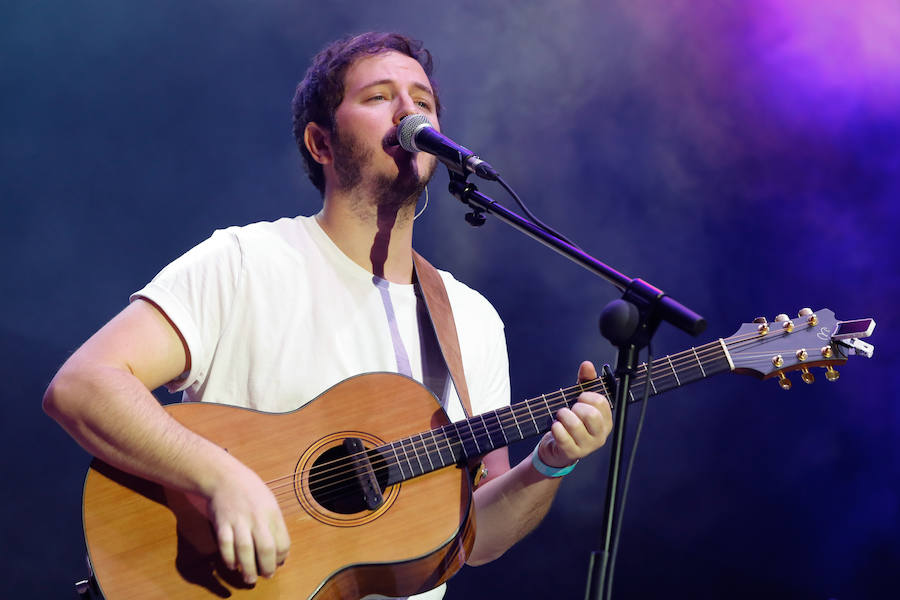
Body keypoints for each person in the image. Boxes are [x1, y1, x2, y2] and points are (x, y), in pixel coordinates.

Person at [43, 32, 613, 599]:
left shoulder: (471, 320)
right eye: (378, 97)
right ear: (321, 142)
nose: (408, 111)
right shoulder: (246, 261)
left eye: (423, 100)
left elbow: (474, 539)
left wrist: (550, 465)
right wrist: (219, 477)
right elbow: (83, 385)